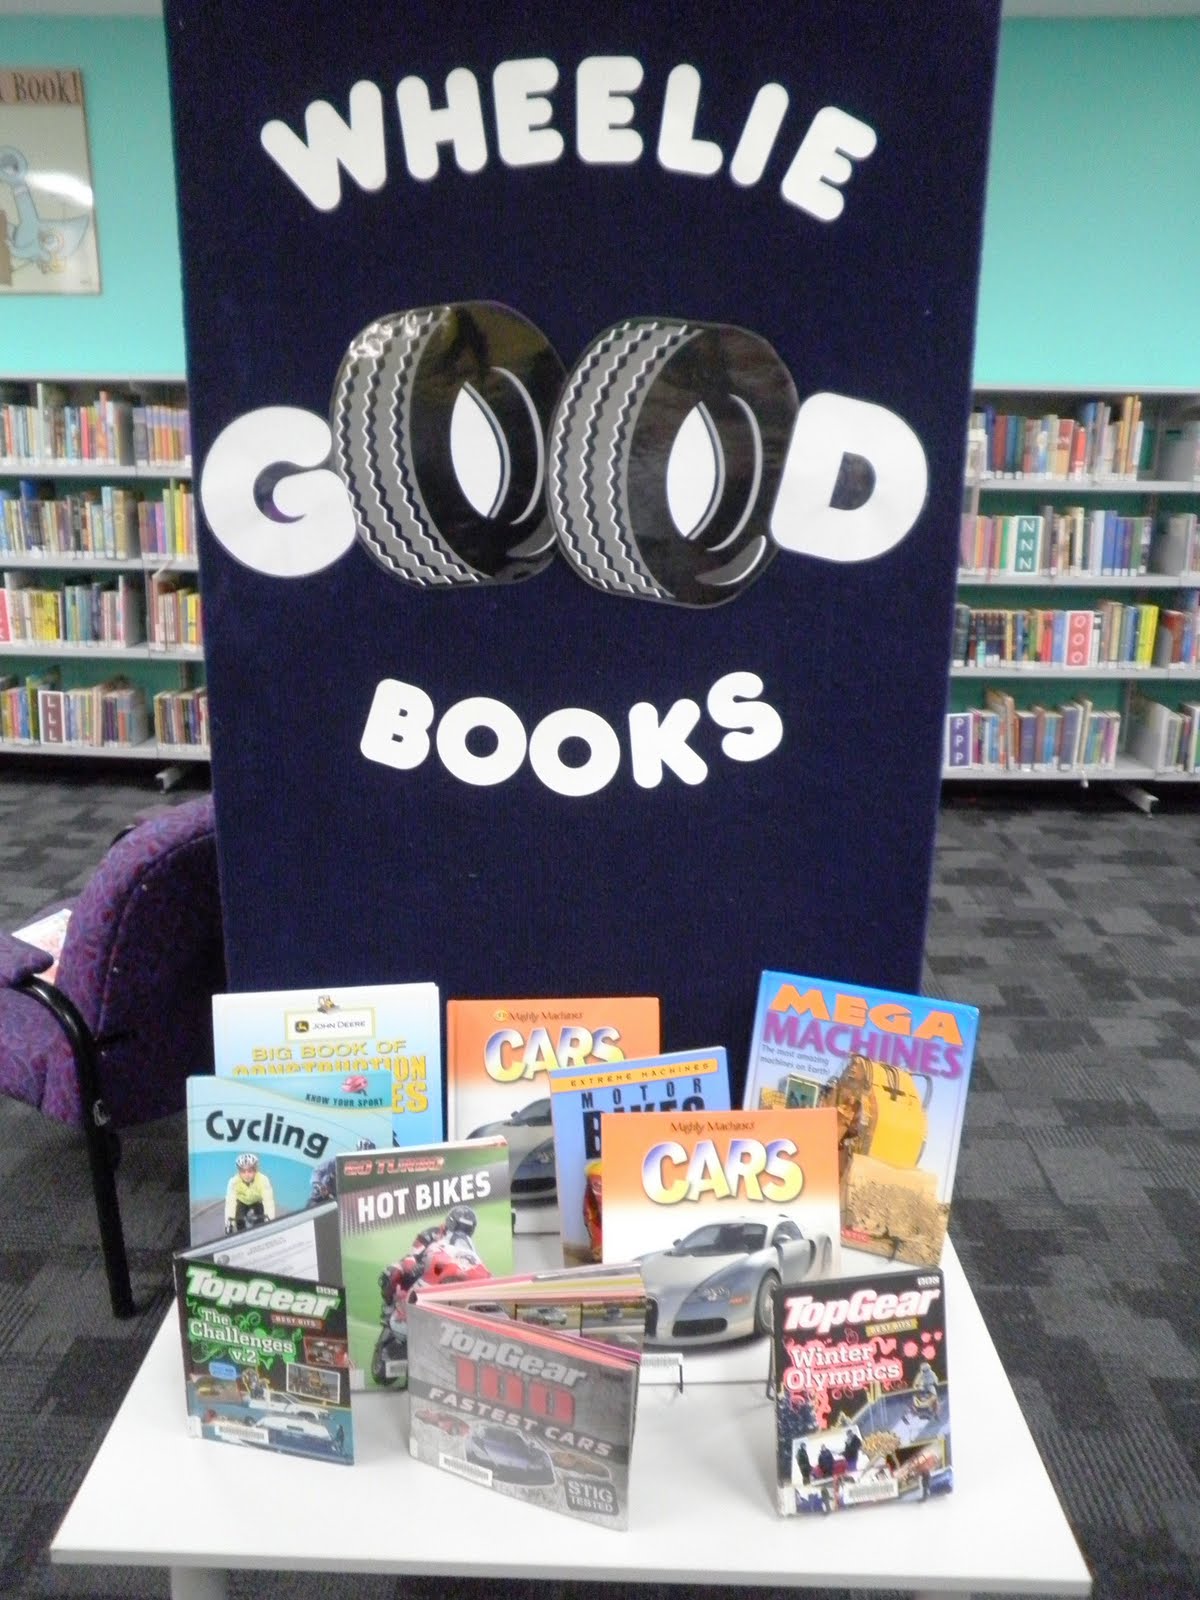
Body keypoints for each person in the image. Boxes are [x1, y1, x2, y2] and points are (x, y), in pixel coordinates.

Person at [224, 1152, 275, 1234]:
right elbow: (230, 1204)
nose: (247, 1175)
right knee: (239, 1221)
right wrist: (229, 1224)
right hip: (242, 1201)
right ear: (239, 1172)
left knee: (260, 1223)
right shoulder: (233, 1182)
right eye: (243, 1172)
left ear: (256, 1171)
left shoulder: (263, 1180)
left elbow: (269, 1203)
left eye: (250, 1171)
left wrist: (270, 1221)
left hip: (257, 1201)